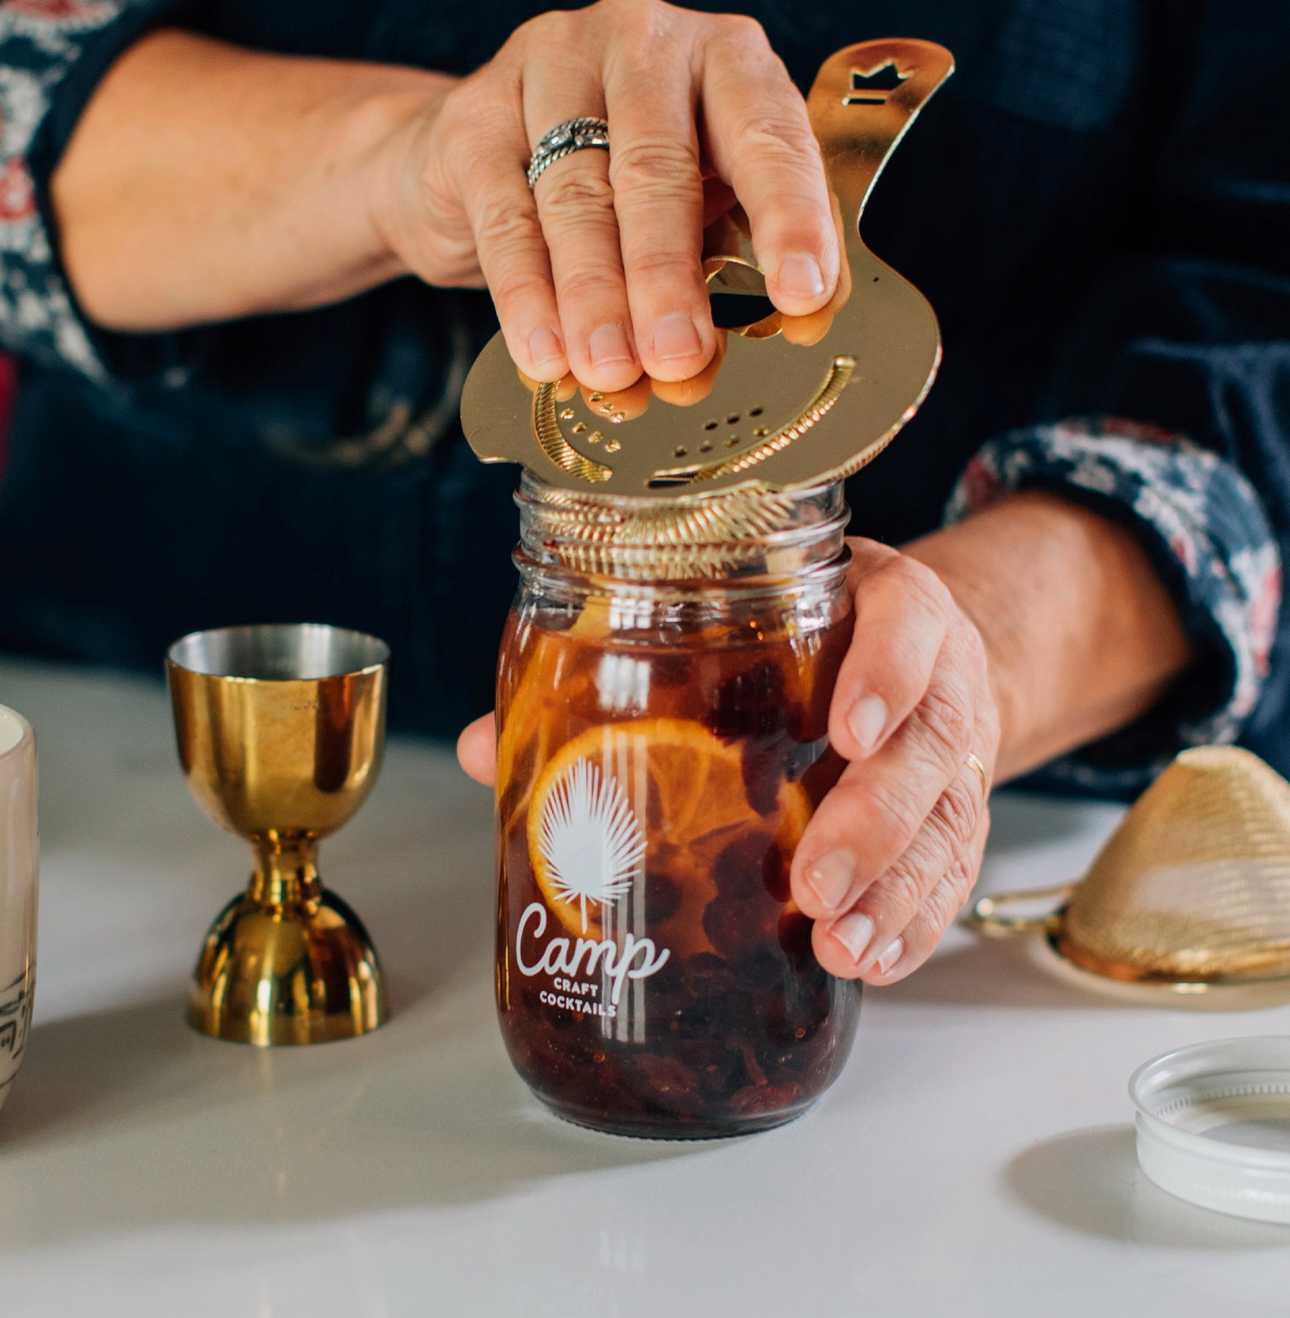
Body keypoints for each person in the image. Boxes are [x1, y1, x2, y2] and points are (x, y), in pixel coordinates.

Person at [0, 0, 1283, 986]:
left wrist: (966, 652)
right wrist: (402, 159)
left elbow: (1261, 298)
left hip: (1047, 873)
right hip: (109, 788)